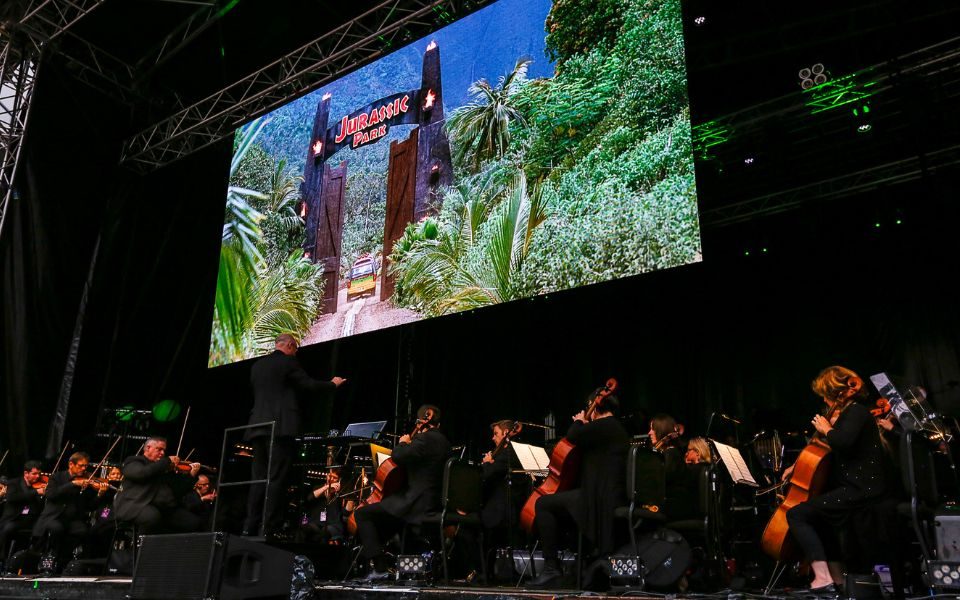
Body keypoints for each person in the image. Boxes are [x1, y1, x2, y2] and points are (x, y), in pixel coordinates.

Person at [783, 365, 889, 593]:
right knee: (819, 519)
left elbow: (842, 442)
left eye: (825, 394)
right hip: (852, 487)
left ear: (835, 392)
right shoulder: (848, 414)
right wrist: (797, 465)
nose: (824, 400)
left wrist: (826, 428)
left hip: (863, 489)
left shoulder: (857, 412)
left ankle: (822, 576)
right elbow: (824, 451)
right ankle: (838, 580)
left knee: (796, 514)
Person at [243, 333, 346, 537]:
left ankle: (249, 526)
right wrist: (332, 384)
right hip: (280, 428)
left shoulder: (257, 366)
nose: (296, 353)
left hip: (257, 426)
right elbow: (308, 385)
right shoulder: (288, 362)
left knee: (258, 479)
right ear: (290, 345)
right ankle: (269, 527)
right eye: (296, 349)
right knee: (276, 478)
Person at [531, 390, 629, 587]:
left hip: (598, 499)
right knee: (559, 507)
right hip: (604, 495)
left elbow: (572, 435)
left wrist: (580, 420)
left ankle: (551, 568)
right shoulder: (614, 428)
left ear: (596, 404)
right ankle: (573, 567)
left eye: (589, 406)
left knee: (543, 504)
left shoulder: (604, 425)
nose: (587, 410)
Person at [353, 404, 450, 580]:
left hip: (415, 503)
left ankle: (381, 568)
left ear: (423, 421)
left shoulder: (425, 440)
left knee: (362, 514)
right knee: (389, 524)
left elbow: (398, 456)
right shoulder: (444, 442)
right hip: (433, 501)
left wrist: (403, 443)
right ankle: (401, 569)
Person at [31, 452, 106, 571]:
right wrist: (72, 484)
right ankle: (51, 554)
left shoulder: (86, 481)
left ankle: (63, 556)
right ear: (71, 464)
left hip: (73, 519)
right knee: (57, 528)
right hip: (54, 516)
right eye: (81, 466)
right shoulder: (57, 477)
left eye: (86, 466)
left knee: (83, 531)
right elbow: (51, 495)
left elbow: (90, 506)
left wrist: (99, 494)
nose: (84, 469)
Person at [113, 436, 204, 534]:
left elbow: (179, 490)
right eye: (159, 449)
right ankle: (142, 546)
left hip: (165, 509)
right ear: (148, 448)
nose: (163, 453)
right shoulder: (134, 461)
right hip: (136, 506)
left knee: (194, 522)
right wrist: (166, 461)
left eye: (164, 450)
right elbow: (141, 473)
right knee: (152, 517)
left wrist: (190, 476)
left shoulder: (164, 468)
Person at [650, 413, 697, 520]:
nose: (649, 433)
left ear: (662, 429)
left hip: (674, 508)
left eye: (653, 429)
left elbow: (661, 482)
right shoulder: (669, 453)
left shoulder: (671, 454)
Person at [0, 461, 45, 563]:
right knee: (7, 528)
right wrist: (35, 492)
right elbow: (12, 498)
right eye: (34, 474)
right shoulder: (13, 483)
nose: (37, 476)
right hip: (14, 517)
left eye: (39, 474)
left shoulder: (40, 485)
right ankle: (2, 560)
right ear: (26, 473)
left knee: (43, 529)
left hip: (31, 518)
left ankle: (34, 559)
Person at [301, 469, 344, 543]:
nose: (332, 479)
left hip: (333, 524)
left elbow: (345, 512)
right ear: (326, 476)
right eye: (330, 476)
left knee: (323, 534)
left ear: (338, 479)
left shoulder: (340, 492)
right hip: (317, 522)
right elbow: (310, 498)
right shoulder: (319, 487)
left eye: (335, 478)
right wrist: (327, 487)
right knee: (305, 528)